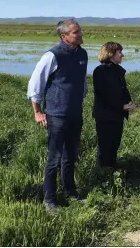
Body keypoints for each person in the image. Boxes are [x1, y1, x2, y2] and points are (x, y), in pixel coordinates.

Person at [27, 18, 88, 214]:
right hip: (56, 115)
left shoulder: (83, 54)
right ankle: (50, 200)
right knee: (54, 158)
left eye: (79, 31)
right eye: (76, 32)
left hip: (75, 113)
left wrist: (79, 97)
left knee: (71, 156)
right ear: (64, 36)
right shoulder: (52, 55)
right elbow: (35, 84)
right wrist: (37, 111)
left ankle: (70, 192)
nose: (80, 34)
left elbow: (82, 82)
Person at [92, 41, 136, 169]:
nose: (122, 55)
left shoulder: (119, 71)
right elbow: (102, 95)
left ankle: (112, 172)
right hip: (105, 115)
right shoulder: (100, 71)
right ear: (111, 54)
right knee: (104, 146)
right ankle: (103, 176)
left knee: (114, 145)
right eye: (119, 52)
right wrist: (122, 106)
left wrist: (129, 103)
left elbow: (123, 91)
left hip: (117, 115)